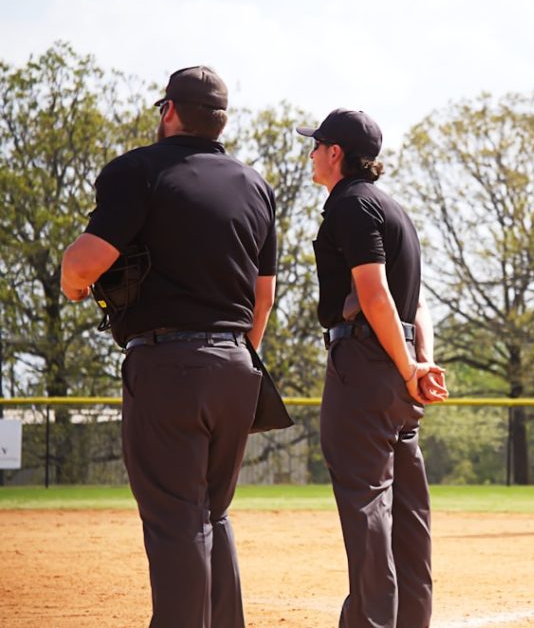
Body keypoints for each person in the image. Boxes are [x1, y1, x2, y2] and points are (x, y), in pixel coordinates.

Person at [60, 66, 277, 627]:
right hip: (238, 363)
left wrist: (74, 280)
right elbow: (264, 295)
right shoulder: (255, 184)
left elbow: (83, 264)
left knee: (176, 518)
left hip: (168, 362)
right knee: (212, 511)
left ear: (169, 111)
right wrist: (235, 355)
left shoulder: (138, 171)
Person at [299, 108, 447, 628]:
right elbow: (417, 303)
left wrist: (408, 366)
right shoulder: (393, 208)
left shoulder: (351, 205)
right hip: (395, 364)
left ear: (335, 152)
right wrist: (420, 361)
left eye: (316, 145)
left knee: (367, 512)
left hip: (365, 365)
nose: (312, 153)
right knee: (408, 514)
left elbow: (375, 292)